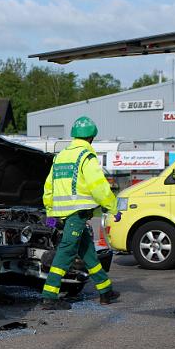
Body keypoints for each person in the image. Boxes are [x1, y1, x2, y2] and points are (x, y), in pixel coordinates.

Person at [40, 116, 119, 310]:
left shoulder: (60, 156)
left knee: (88, 253)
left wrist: (51, 213)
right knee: (66, 252)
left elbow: (48, 186)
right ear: (92, 137)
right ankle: (50, 296)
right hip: (78, 213)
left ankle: (105, 290)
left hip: (65, 213)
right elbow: (98, 187)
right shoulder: (86, 156)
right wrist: (113, 207)